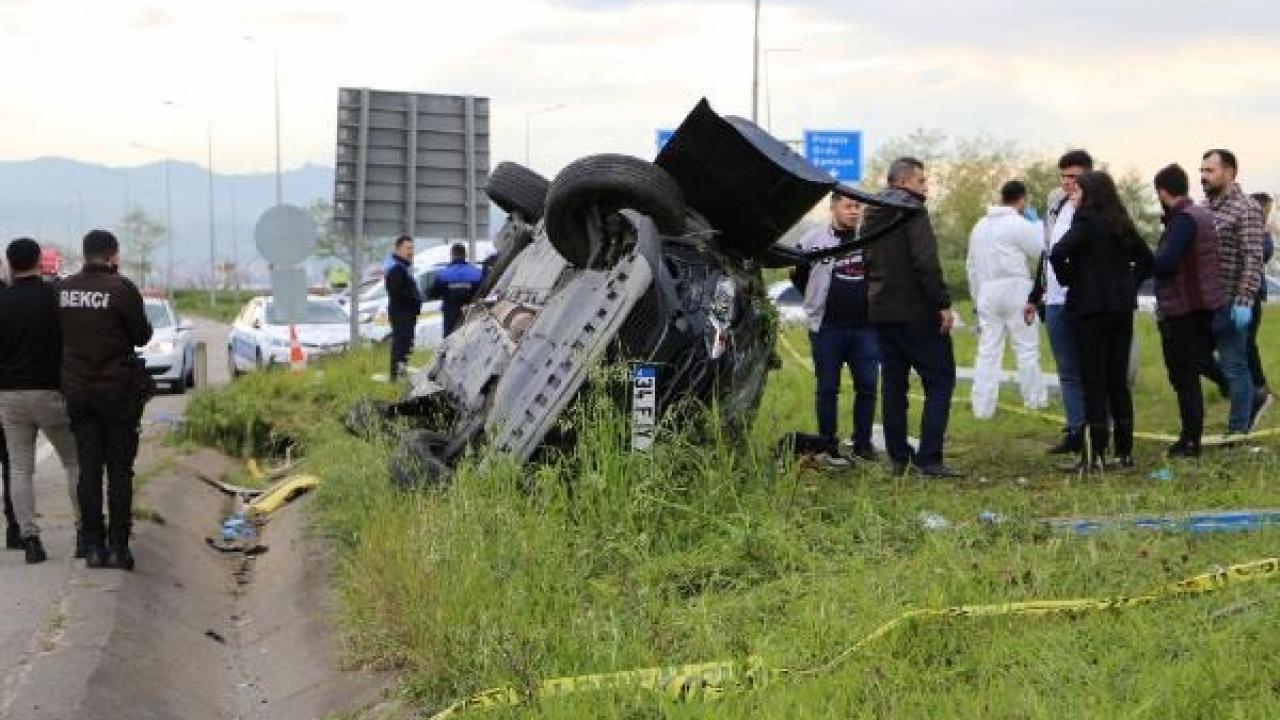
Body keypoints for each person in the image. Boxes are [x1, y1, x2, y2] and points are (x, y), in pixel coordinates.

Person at [57, 230, 153, 570]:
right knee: (119, 471)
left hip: (78, 391)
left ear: (85, 254)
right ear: (113, 255)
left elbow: (57, 336)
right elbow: (142, 335)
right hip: (116, 391)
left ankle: (93, 547)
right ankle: (118, 548)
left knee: (88, 469)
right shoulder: (121, 288)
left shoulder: (64, 290)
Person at [863, 157, 960, 477]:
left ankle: (898, 457)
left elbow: (865, 260)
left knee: (893, 386)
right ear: (904, 182)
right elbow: (925, 261)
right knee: (941, 379)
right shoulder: (913, 210)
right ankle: (929, 458)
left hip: (882, 311)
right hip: (916, 311)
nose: (926, 187)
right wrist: (942, 304)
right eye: (921, 181)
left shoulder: (871, 211)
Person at [1050, 171, 1153, 471]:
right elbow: (1147, 260)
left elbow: (1057, 254)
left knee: (1093, 382)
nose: (1074, 194)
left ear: (1090, 193)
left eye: (1078, 190)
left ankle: (1094, 454)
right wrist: (1126, 285)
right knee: (1117, 382)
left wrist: (1072, 280)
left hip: (1089, 310)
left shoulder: (1084, 222)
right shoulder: (1121, 223)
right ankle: (1124, 453)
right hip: (1120, 310)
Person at [0, 238, 82, 563]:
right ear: (39, 261)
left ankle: (29, 538)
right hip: (51, 392)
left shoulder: (1, 300)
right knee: (74, 462)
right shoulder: (56, 298)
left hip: (9, 396)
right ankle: (84, 532)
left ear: (10, 263)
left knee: (19, 469)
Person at [790, 194, 879, 468]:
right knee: (827, 388)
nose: (854, 212)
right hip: (827, 328)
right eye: (848, 206)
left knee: (867, 386)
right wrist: (814, 298)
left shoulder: (870, 240)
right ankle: (828, 444)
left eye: (857, 207)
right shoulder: (813, 239)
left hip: (865, 329)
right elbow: (796, 272)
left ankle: (862, 444)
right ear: (834, 208)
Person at [1151, 165, 1224, 458]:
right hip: (1202, 305)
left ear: (1162, 191)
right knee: (1192, 371)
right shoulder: (1201, 214)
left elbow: (1166, 263)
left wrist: (1146, 262)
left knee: (1184, 377)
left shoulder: (1182, 220)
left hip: (1184, 308)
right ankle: (1191, 436)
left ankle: (1190, 440)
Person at [966, 180, 1048, 419]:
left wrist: (975, 299)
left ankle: (982, 408)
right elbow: (1041, 250)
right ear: (1022, 199)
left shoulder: (979, 226)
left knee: (988, 350)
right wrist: (1037, 225)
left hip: (987, 291)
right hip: (1016, 287)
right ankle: (1035, 401)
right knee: (1026, 348)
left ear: (1001, 196)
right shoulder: (1018, 223)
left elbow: (971, 265)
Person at [1199, 149, 1265, 438]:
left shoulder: (1246, 208)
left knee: (1235, 364)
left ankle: (1238, 429)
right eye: (1201, 170)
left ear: (1230, 172)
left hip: (1230, 300)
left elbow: (1253, 257)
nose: (1203, 176)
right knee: (1197, 358)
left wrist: (1244, 300)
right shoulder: (1203, 207)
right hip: (1204, 301)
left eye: (1210, 170)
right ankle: (1251, 394)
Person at [1031, 150, 1092, 454]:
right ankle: (1074, 430)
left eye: (1074, 177)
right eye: (1064, 176)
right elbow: (1047, 251)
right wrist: (1036, 294)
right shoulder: (1056, 205)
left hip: (1083, 301)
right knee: (1066, 371)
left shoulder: (1096, 209)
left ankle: (1098, 430)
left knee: (1090, 368)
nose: (1067, 182)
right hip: (1054, 299)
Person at [1246, 191, 1274, 416]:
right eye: (1265, 210)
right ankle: (1254, 386)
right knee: (1244, 344)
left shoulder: (1263, 235)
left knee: (1248, 343)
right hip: (1248, 292)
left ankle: (1259, 387)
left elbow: (1264, 254)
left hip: (1252, 292)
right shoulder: (1252, 230)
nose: (1266, 215)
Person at [385, 235, 422, 380]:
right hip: (401, 314)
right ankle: (397, 376)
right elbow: (397, 292)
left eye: (412, 248)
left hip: (406, 313)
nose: (411, 251)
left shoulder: (402, 268)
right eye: (407, 248)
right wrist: (414, 300)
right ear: (398, 249)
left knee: (405, 344)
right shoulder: (396, 269)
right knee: (401, 344)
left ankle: (400, 373)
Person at [427, 243, 484, 338]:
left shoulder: (443, 274)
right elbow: (483, 293)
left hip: (450, 315)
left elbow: (434, 294)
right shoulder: (476, 273)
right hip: (470, 314)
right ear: (465, 255)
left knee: (449, 340)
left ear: (452, 255)